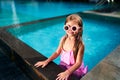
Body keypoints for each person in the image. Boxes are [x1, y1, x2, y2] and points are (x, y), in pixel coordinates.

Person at [34, 14, 87, 80]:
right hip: (63, 65)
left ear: (79, 29)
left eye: (74, 28)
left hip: (74, 69)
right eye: (67, 27)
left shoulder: (80, 45)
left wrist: (67, 72)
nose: (70, 30)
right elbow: (57, 52)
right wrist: (47, 61)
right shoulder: (63, 39)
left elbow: (78, 63)